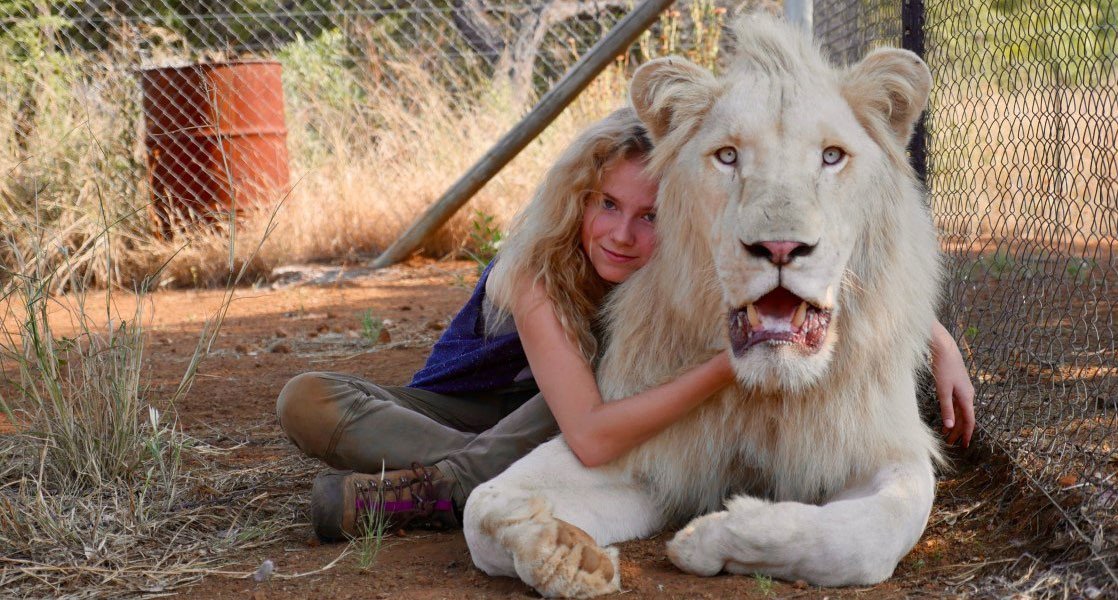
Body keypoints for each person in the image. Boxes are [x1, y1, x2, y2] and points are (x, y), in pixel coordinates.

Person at [275, 108, 976, 543]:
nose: (621, 234)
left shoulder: (684, 260)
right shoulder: (533, 274)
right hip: (491, 407)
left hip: (584, 406)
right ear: (578, 199)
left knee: (587, 397)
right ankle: (457, 483)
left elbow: (798, 279)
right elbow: (590, 431)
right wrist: (724, 363)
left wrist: (934, 339)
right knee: (305, 398)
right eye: (607, 205)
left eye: (650, 217)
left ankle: (441, 485)